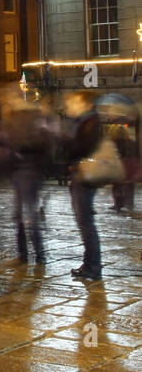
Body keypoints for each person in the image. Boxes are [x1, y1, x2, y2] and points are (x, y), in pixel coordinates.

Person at [3, 91, 51, 270]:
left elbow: (20, 143)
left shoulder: (26, 122)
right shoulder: (35, 120)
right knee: (22, 215)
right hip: (25, 171)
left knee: (28, 215)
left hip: (27, 172)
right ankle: (26, 254)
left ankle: (38, 255)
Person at [64, 91, 105, 282]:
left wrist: (64, 137)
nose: (71, 105)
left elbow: (82, 148)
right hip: (81, 175)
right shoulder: (84, 122)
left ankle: (94, 267)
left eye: (75, 102)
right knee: (84, 222)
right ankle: (89, 264)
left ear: (86, 104)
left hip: (85, 176)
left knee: (86, 223)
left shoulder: (90, 123)